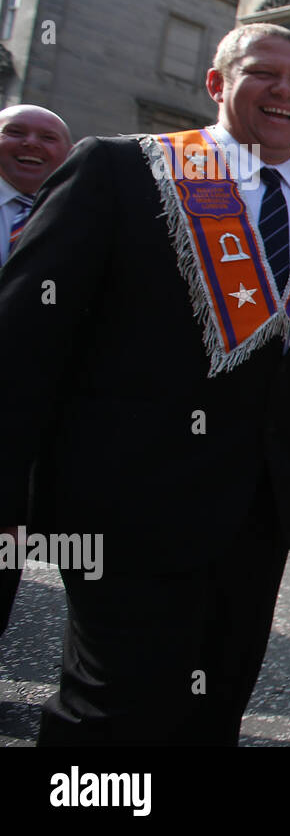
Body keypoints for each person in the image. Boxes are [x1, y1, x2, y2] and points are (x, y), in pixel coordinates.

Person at [0, 23, 290, 744]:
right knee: (112, 710)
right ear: (217, 84)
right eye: (263, 73)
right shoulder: (119, 170)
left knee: (215, 706)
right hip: (123, 502)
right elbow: (24, 338)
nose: (285, 92)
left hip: (263, 507)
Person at [0, 103, 73, 637]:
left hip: (36, 415)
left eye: (48, 137)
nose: (32, 145)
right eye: (15, 133)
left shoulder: (83, 217)